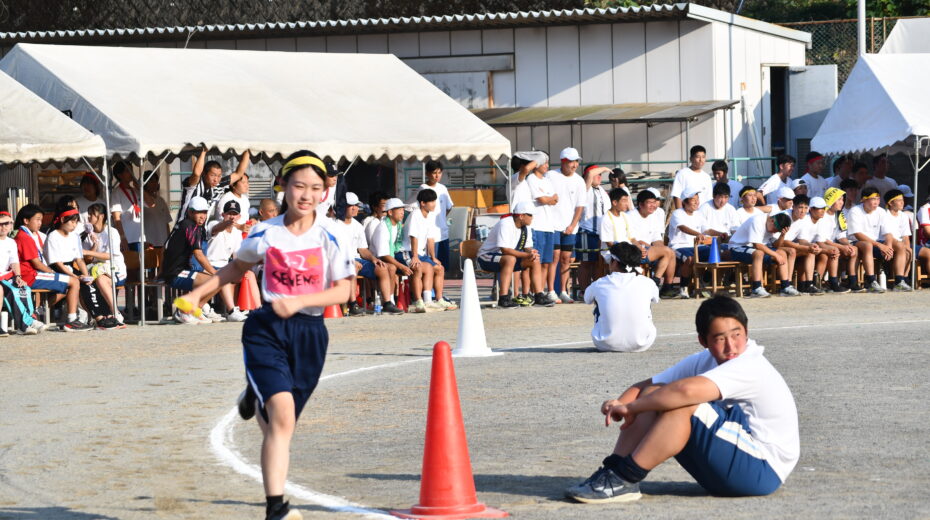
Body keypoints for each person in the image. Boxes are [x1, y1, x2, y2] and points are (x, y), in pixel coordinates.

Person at [178, 150, 354, 520]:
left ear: (324, 193)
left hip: (309, 333)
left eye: (315, 188)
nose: (306, 194)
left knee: (280, 423)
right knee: (283, 419)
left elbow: (345, 291)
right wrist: (198, 293)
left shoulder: (332, 235)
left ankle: (253, 396)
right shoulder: (264, 232)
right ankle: (277, 508)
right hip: (266, 328)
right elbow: (236, 268)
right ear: (284, 187)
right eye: (299, 186)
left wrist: (302, 301)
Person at [565, 295, 798, 503]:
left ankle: (626, 478)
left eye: (737, 335)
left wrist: (632, 407)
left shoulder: (750, 364)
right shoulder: (703, 359)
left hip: (762, 471)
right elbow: (645, 386)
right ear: (703, 341)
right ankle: (614, 470)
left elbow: (685, 393)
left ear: (746, 332)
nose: (731, 346)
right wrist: (619, 403)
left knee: (680, 403)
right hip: (734, 467)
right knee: (655, 393)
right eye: (719, 339)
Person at [13, 204, 88, 331]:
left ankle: (40, 311)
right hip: (30, 276)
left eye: (41, 220)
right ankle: (72, 321)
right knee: (74, 281)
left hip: (31, 274)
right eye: (37, 219)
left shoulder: (25, 235)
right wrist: (52, 272)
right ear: (26, 221)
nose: (40, 223)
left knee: (71, 283)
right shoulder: (24, 237)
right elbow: (36, 263)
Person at [44, 207, 121, 330]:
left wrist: (86, 275)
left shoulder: (74, 236)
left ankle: (101, 316)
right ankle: (88, 318)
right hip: (56, 268)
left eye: (76, 222)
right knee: (80, 284)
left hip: (70, 267)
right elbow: (58, 263)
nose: (75, 225)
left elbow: (79, 259)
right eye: (72, 221)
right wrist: (76, 276)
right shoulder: (53, 236)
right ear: (63, 219)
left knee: (89, 284)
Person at [584, 242, 659, 353]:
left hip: (604, 344)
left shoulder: (599, 283)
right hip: (642, 344)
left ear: (614, 262)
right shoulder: (648, 283)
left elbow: (587, 299)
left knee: (598, 301)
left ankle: (610, 332)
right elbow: (655, 299)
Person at [477, 201, 550, 308]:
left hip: (508, 258)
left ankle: (539, 295)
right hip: (485, 257)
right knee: (510, 259)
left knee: (534, 260)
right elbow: (505, 250)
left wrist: (532, 252)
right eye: (530, 215)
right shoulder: (505, 223)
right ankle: (504, 298)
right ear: (521, 216)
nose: (532, 217)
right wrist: (526, 255)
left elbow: (527, 247)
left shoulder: (526, 228)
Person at [339, 192, 402, 316]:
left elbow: (363, 250)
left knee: (383, 268)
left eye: (356, 205)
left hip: (359, 260)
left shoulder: (357, 226)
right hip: (341, 261)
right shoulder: (334, 225)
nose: (355, 208)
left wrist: (374, 259)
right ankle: (353, 305)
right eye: (351, 205)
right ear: (341, 206)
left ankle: (387, 304)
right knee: (353, 266)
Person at [164, 196, 224, 323]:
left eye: (205, 212)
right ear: (190, 212)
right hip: (175, 273)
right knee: (216, 280)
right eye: (199, 212)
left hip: (180, 270)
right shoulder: (189, 226)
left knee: (218, 281)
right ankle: (183, 311)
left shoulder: (189, 225)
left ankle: (195, 310)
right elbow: (198, 254)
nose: (203, 216)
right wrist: (215, 272)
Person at [399, 189, 456, 312]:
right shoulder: (415, 215)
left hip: (420, 253)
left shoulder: (430, 216)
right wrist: (415, 256)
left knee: (439, 268)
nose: (434, 204)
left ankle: (438, 299)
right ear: (422, 203)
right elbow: (413, 237)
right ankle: (420, 302)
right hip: (408, 251)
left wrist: (433, 257)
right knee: (420, 267)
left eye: (435, 201)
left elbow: (430, 239)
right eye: (431, 201)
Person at [728, 211, 799, 298]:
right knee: (759, 253)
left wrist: (782, 235)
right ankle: (756, 288)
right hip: (738, 248)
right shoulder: (757, 221)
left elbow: (776, 245)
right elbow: (757, 245)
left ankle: (785, 287)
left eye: (777, 231)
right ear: (772, 220)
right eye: (775, 229)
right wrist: (776, 255)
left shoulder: (771, 225)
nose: (774, 232)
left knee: (782, 253)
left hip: (755, 250)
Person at [548, 147, 586, 304]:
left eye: (576, 161)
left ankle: (563, 290)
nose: (575, 164)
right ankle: (550, 290)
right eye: (572, 161)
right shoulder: (550, 176)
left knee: (566, 259)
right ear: (563, 162)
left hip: (570, 227)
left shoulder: (579, 181)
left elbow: (580, 206)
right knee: (553, 258)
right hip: (552, 225)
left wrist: (572, 225)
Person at [627, 189, 679, 298]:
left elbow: (656, 238)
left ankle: (667, 287)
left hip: (648, 249)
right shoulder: (630, 216)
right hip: (634, 249)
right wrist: (657, 249)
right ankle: (654, 283)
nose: (653, 206)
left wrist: (661, 248)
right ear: (640, 204)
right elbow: (633, 239)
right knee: (667, 251)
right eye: (649, 203)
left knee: (671, 253)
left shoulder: (654, 216)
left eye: (654, 202)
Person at [847, 186, 900, 293]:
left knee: (900, 246)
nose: (876, 202)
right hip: (855, 242)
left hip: (875, 243)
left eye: (878, 199)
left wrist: (888, 246)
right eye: (873, 199)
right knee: (868, 245)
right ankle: (871, 281)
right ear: (864, 200)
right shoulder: (855, 211)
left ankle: (900, 282)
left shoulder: (881, 211)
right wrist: (880, 246)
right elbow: (857, 234)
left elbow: (888, 233)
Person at [82, 203, 128, 322]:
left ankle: (115, 312)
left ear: (101, 216)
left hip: (116, 269)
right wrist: (94, 246)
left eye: (92, 214)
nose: (89, 217)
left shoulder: (111, 232)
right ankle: (97, 315)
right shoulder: (87, 235)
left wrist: (88, 252)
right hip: (97, 269)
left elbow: (109, 256)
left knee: (101, 279)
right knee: (85, 280)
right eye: (89, 214)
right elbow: (87, 259)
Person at [666, 189, 716, 298]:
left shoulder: (698, 214)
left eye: (697, 200)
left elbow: (706, 230)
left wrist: (721, 234)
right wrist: (698, 234)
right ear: (684, 202)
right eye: (693, 200)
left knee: (717, 253)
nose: (696, 202)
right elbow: (683, 228)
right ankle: (683, 288)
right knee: (690, 259)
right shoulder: (677, 213)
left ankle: (705, 281)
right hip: (679, 247)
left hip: (697, 247)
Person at [178, 147, 250, 222]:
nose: (216, 179)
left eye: (219, 176)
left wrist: (246, 150)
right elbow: (196, 173)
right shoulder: (194, 185)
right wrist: (204, 152)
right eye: (213, 175)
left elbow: (238, 174)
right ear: (204, 174)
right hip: (183, 229)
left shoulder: (217, 186)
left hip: (201, 231)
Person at [525, 153, 561, 303]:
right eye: (544, 163)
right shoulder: (531, 179)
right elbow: (542, 199)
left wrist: (549, 199)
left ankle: (541, 291)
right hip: (537, 225)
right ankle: (535, 292)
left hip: (549, 226)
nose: (547, 166)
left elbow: (555, 198)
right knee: (536, 262)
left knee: (547, 261)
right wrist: (549, 199)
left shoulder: (547, 180)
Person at [205, 200, 249, 322]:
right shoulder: (213, 223)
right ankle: (231, 311)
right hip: (208, 264)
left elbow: (236, 256)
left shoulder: (236, 233)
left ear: (239, 216)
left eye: (234, 214)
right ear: (223, 214)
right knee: (223, 275)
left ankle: (250, 307)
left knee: (248, 274)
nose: (232, 216)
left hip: (224, 266)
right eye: (229, 213)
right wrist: (228, 223)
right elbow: (216, 229)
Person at [0, 211, 40, 335]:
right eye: (1, 224)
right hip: (2, 277)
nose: (4, 227)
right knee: (10, 291)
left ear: (12, 225)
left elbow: (14, 262)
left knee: (23, 287)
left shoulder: (11, 242)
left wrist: (18, 277)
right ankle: (24, 324)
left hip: (6, 275)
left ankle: (29, 319)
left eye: (7, 223)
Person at [370, 198, 411, 314]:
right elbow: (383, 255)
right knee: (392, 267)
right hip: (376, 260)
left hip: (388, 257)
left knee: (413, 265)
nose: (403, 212)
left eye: (403, 209)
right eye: (399, 209)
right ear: (390, 212)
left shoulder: (397, 226)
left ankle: (395, 301)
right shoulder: (383, 228)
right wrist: (402, 266)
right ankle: (389, 301)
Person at [820, 187, 863, 292]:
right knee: (836, 250)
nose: (841, 202)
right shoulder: (822, 215)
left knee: (854, 249)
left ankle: (852, 281)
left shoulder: (839, 214)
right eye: (839, 199)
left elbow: (841, 236)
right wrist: (842, 247)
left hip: (833, 243)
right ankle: (833, 282)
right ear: (831, 200)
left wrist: (848, 245)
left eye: (842, 200)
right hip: (821, 243)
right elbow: (824, 239)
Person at [576, 165, 611, 292]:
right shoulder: (584, 188)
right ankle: (584, 290)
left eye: (601, 174)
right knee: (586, 263)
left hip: (601, 233)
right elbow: (590, 174)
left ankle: (597, 290)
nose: (599, 176)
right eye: (597, 174)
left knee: (598, 262)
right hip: (587, 231)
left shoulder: (602, 191)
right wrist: (605, 168)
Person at [781, 195, 823, 294]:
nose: (803, 211)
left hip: (789, 245)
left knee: (810, 251)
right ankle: (788, 284)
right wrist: (802, 247)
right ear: (793, 207)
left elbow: (802, 240)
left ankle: (809, 284)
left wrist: (811, 245)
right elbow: (782, 241)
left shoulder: (803, 219)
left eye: (805, 208)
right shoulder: (784, 216)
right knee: (792, 251)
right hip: (776, 245)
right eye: (800, 207)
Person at [419, 160, 455, 270]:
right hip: (430, 235)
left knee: (442, 266)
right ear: (427, 174)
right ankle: (430, 287)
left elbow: (449, 207)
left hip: (443, 232)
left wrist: (441, 219)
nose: (437, 176)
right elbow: (416, 208)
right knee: (432, 265)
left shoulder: (443, 188)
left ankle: (440, 287)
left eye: (439, 173)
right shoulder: (423, 188)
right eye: (434, 173)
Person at [882, 189, 914, 291]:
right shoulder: (884, 214)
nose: (902, 202)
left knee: (909, 251)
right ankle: (899, 281)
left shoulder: (904, 215)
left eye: (903, 200)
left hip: (900, 243)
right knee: (901, 246)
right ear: (891, 203)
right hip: (886, 241)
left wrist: (908, 247)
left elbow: (905, 236)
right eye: (899, 200)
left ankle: (903, 279)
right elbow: (887, 235)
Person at [110, 162, 144, 252]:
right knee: (131, 265)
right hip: (128, 239)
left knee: (142, 265)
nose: (131, 173)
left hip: (140, 237)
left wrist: (140, 188)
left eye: (131, 170)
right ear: (119, 175)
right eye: (127, 171)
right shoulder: (116, 193)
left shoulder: (136, 191)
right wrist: (122, 237)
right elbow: (116, 218)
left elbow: (151, 204)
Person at [142, 171, 173, 248]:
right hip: (149, 243)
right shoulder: (140, 200)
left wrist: (169, 240)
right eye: (151, 181)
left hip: (163, 242)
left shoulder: (161, 200)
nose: (154, 183)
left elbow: (166, 223)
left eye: (156, 181)